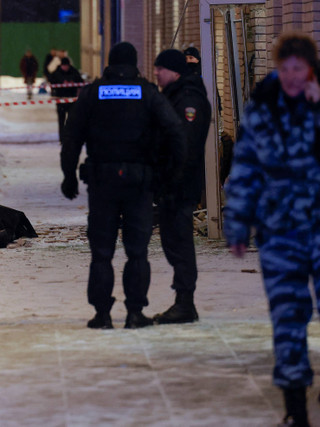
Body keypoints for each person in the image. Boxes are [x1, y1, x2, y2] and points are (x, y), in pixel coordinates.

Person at [223, 32, 320, 427]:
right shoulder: (264, 108)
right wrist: (237, 222)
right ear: (278, 68)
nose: (291, 76)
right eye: (285, 68)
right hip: (281, 230)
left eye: (298, 68)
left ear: (311, 68)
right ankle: (295, 407)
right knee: (289, 319)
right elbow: (245, 169)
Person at [60, 42, 187, 330]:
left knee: (102, 252)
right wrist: (170, 175)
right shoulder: (148, 93)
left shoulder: (93, 93)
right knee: (137, 251)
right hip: (139, 183)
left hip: (102, 182)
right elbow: (176, 132)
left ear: (109, 62)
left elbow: (72, 137)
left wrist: (68, 175)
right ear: (135, 63)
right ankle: (134, 313)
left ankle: (102, 314)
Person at [151, 49, 211, 324]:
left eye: (159, 69)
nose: (155, 74)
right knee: (171, 242)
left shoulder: (189, 100)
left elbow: (184, 147)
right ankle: (182, 300)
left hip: (181, 186)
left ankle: (185, 303)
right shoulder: (174, 96)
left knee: (180, 242)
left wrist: (171, 181)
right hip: (170, 186)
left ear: (174, 71)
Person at [49, 57, 84, 143]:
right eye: (63, 66)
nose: (65, 68)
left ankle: (71, 137)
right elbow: (52, 81)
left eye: (66, 66)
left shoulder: (74, 71)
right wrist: (62, 82)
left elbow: (80, 81)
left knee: (72, 120)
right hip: (60, 100)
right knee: (61, 121)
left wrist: (73, 82)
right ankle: (62, 139)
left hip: (72, 101)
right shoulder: (56, 73)